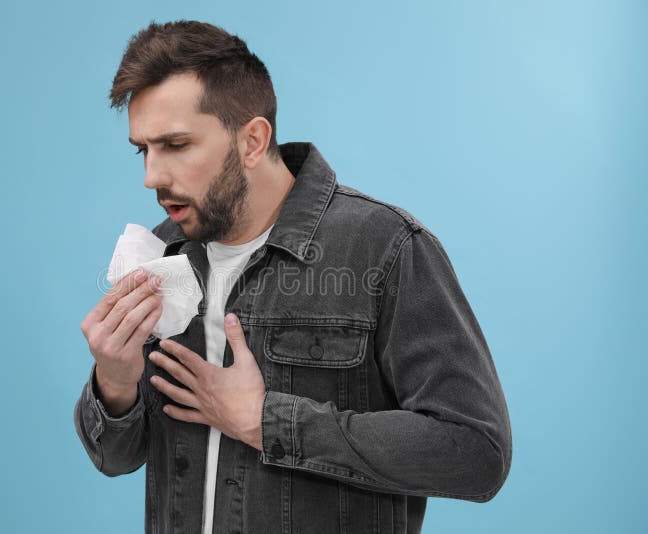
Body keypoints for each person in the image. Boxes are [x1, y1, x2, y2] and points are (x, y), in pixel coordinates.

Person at [74, 20, 512, 534]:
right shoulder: (165, 251)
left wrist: (267, 422)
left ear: (253, 141)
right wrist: (115, 383)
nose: (152, 176)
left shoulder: (386, 248)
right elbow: (118, 458)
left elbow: (478, 453)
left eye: (175, 145)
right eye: (142, 149)